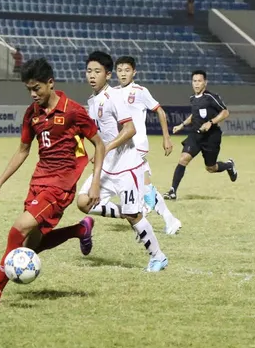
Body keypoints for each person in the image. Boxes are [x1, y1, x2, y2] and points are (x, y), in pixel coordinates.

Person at [0, 58, 105, 307]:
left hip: (60, 186)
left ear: (50, 83)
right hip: (39, 181)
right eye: (28, 90)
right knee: (30, 246)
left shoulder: (73, 110)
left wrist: (96, 181)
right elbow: (23, 150)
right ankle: (80, 230)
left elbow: (98, 145)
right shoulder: (31, 114)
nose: (33, 94)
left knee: (17, 230)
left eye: (37, 88)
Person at [77, 51, 168, 272]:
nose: (92, 75)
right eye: (89, 71)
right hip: (107, 165)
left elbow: (130, 129)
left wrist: (105, 148)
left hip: (127, 165)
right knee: (83, 202)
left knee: (132, 215)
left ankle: (158, 256)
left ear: (108, 75)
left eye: (97, 71)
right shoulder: (92, 100)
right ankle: (131, 212)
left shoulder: (115, 97)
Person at [114, 56, 181, 235]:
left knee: (133, 184)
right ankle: (169, 219)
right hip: (123, 147)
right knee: (144, 185)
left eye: (126, 70)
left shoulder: (140, 91)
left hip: (137, 144)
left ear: (134, 72)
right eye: (120, 70)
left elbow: (159, 110)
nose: (123, 73)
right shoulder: (113, 92)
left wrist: (166, 137)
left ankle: (145, 209)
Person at [163, 69, 237, 200]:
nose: (196, 84)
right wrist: (182, 125)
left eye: (199, 81)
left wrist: (211, 122)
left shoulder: (211, 97)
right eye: (194, 81)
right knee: (183, 159)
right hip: (195, 136)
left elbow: (225, 112)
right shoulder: (192, 98)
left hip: (211, 137)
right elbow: (194, 115)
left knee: (211, 168)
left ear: (205, 83)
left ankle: (228, 165)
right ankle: (172, 191)